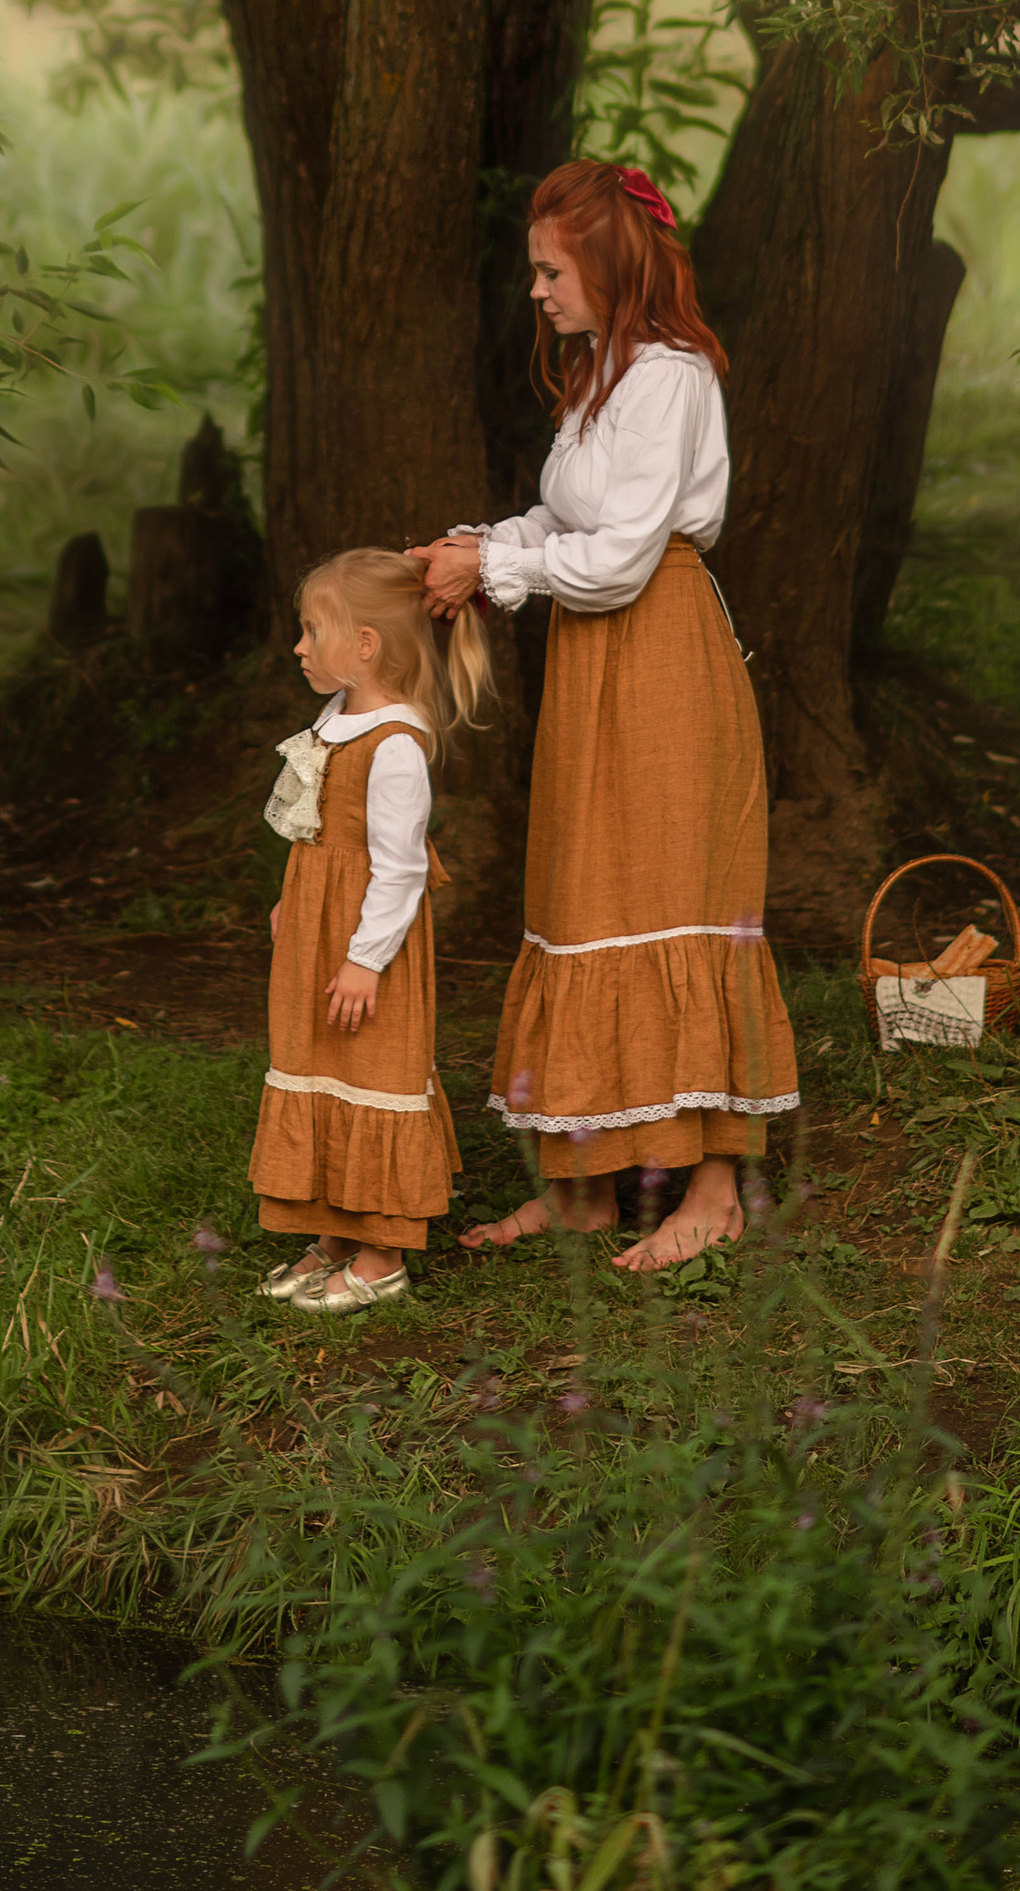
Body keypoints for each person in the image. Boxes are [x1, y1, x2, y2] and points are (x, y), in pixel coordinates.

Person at [410, 159, 799, 1271]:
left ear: (610, 262)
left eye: (550, 269)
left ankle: (714, 1184)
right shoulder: (597, 378)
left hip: (660, 651)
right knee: (586, 890)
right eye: (533, 270)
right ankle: (584, 1184)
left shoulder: (670, 378)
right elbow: (559, 519)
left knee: (678, 889)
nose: (535, 291)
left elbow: (624, 558)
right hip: (596, 663)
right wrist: (477, 555)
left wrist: (496, 563)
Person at [250, 548, 491, 1312]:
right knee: (318, 1059)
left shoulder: (393, 745)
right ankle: (334, 1230)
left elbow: (400, 869)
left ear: (365, 644)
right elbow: (320, 824)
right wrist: (298, 896)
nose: (298, 646)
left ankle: (382, 1253)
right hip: (319, 928)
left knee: (372, 1070)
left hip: (362, 942)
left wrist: (364, 962)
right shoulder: (338, 718)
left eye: (311, 630)